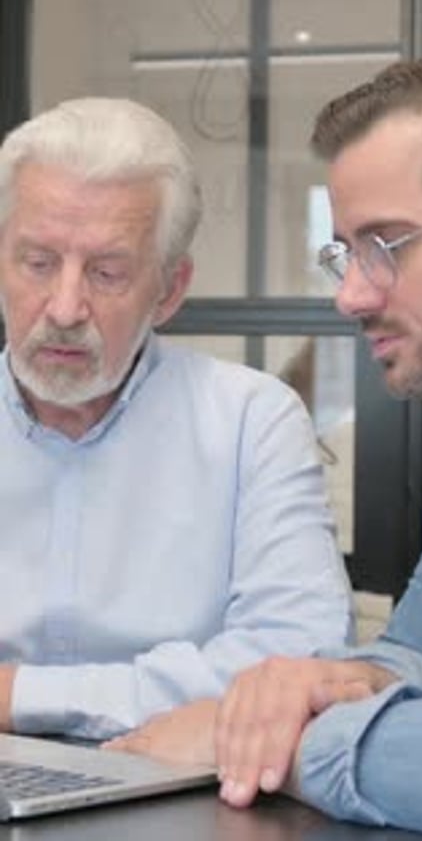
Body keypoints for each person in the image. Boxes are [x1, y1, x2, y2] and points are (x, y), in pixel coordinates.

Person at [163, 52, 422, 839]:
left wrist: (241, 740)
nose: (351, 293)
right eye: (344, 253)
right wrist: (317, 681)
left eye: (389, 244)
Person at [0, 97, 353, 744]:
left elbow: (299, 655)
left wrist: (21, 694)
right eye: (38, 263)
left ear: (169, 289)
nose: (66, 306)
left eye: (107, 272)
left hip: (179, 792)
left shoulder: (251, 421)